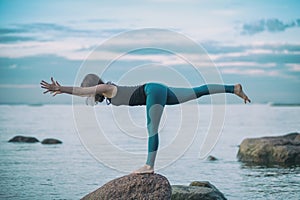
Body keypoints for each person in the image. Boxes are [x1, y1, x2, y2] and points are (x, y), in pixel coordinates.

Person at [40, 74, 251, 174]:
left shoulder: (105, 87)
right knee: (197, 92)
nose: (91, 95)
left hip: (152, 91)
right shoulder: (108, 90)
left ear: (94, 86)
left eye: (90, 90)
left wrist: (62, 89)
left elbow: (82, 91)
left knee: (152, 127)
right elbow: (85, 93)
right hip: (156, 88)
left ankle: (149, 166)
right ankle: (234, 88)